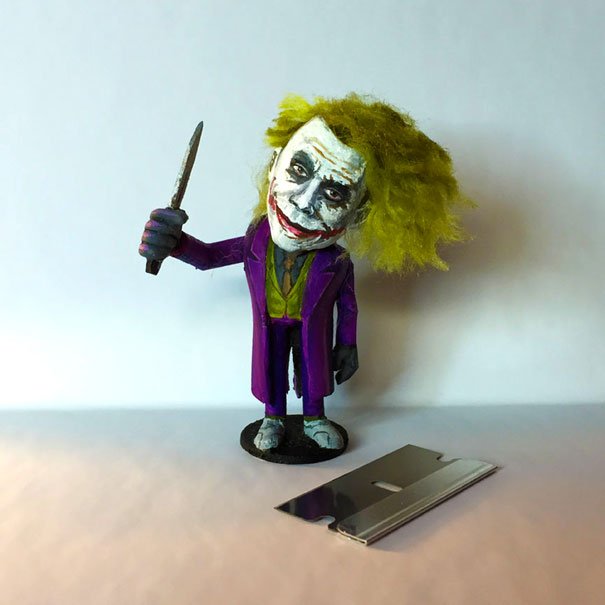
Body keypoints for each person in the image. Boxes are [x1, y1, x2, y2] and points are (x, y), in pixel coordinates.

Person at [139, 94, 466, 452]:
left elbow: (349, 307)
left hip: (312, 331)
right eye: (298, 170)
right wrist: (175, 243)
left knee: (313, 370)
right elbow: (209, 257)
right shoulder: (255, 241)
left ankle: (314, 418)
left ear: (358, 213)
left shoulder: (337, 261)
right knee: (272, 370)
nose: (303, 202)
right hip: (270, 327)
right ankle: (273, 418)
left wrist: (347, 344)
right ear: (274, 165)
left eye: (334, 193)